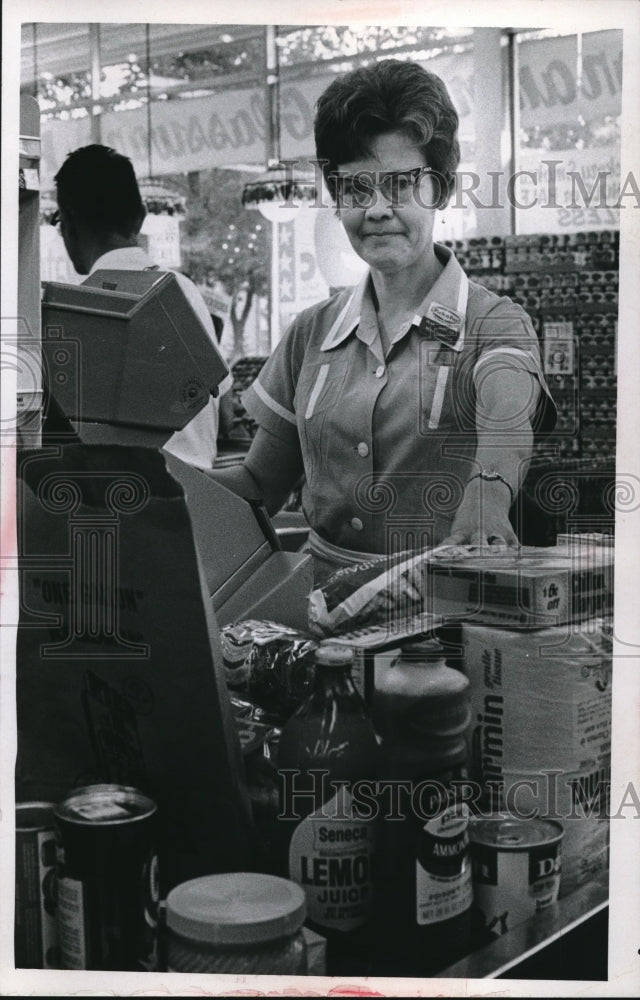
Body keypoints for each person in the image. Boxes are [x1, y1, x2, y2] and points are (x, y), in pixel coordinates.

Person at [213, 59, 556, 584]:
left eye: (399, 184)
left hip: (442, 619)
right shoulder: (311, 332)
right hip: (321, 614)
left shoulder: (494, 325)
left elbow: (507, 416)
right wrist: (159, 486)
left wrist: (487, 493)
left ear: (438, 190)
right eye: (355, 188)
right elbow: (260, 483)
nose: (375, 209)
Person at [52, 144, 232, 469]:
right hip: (206, 494)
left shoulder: (78, 311)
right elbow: (226, 410)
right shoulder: (185, 290)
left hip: (128, 502)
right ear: (140, 217)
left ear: (68, 222)